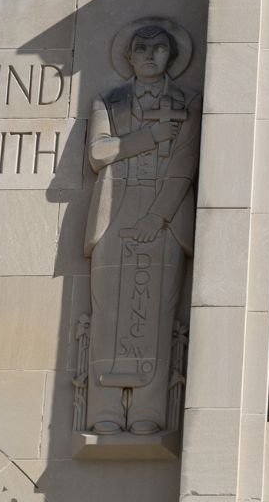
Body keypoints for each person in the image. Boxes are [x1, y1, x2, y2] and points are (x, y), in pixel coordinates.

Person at [83, 23, 200, 435]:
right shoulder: (109, 101)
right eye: (142, 49)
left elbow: (185, 164)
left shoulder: (187, 101)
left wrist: (158, 217)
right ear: (130, 57)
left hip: (163, 218)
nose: (151, 56)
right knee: (109, 311)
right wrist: (147, 137)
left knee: (156, 312)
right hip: (115, 212)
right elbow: (99, 153)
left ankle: (149, 411)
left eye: (160, 49)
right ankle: (106, 411)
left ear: (171, 56)